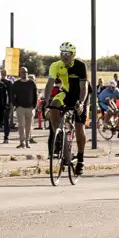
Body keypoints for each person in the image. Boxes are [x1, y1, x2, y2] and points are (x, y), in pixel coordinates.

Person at [44, 42, 89, 175]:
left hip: (81, 95)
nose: (64, 56)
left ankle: (80, 159)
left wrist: (81, 103)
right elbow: (50, 83)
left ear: (73, 55)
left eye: (67, 54)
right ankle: (59, 133)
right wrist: (46, 101)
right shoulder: (55, 65)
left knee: (79, 128)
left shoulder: (80, 65)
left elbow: (83, 87)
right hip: (67, 93)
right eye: (62, 53)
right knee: (54, 105)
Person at [12, 67, 38, 148]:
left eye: (26, 72)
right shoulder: (16, 84)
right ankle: (21, 142)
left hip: (30, 107)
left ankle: (27, 142)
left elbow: (35, 95)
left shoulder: (32, 83)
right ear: (20, 73)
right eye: (22, 72)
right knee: (21, 125)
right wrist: (16, 105)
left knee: (28, 126)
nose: (24, 73)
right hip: (20, 108)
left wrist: (34, 105)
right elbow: (12, 95)